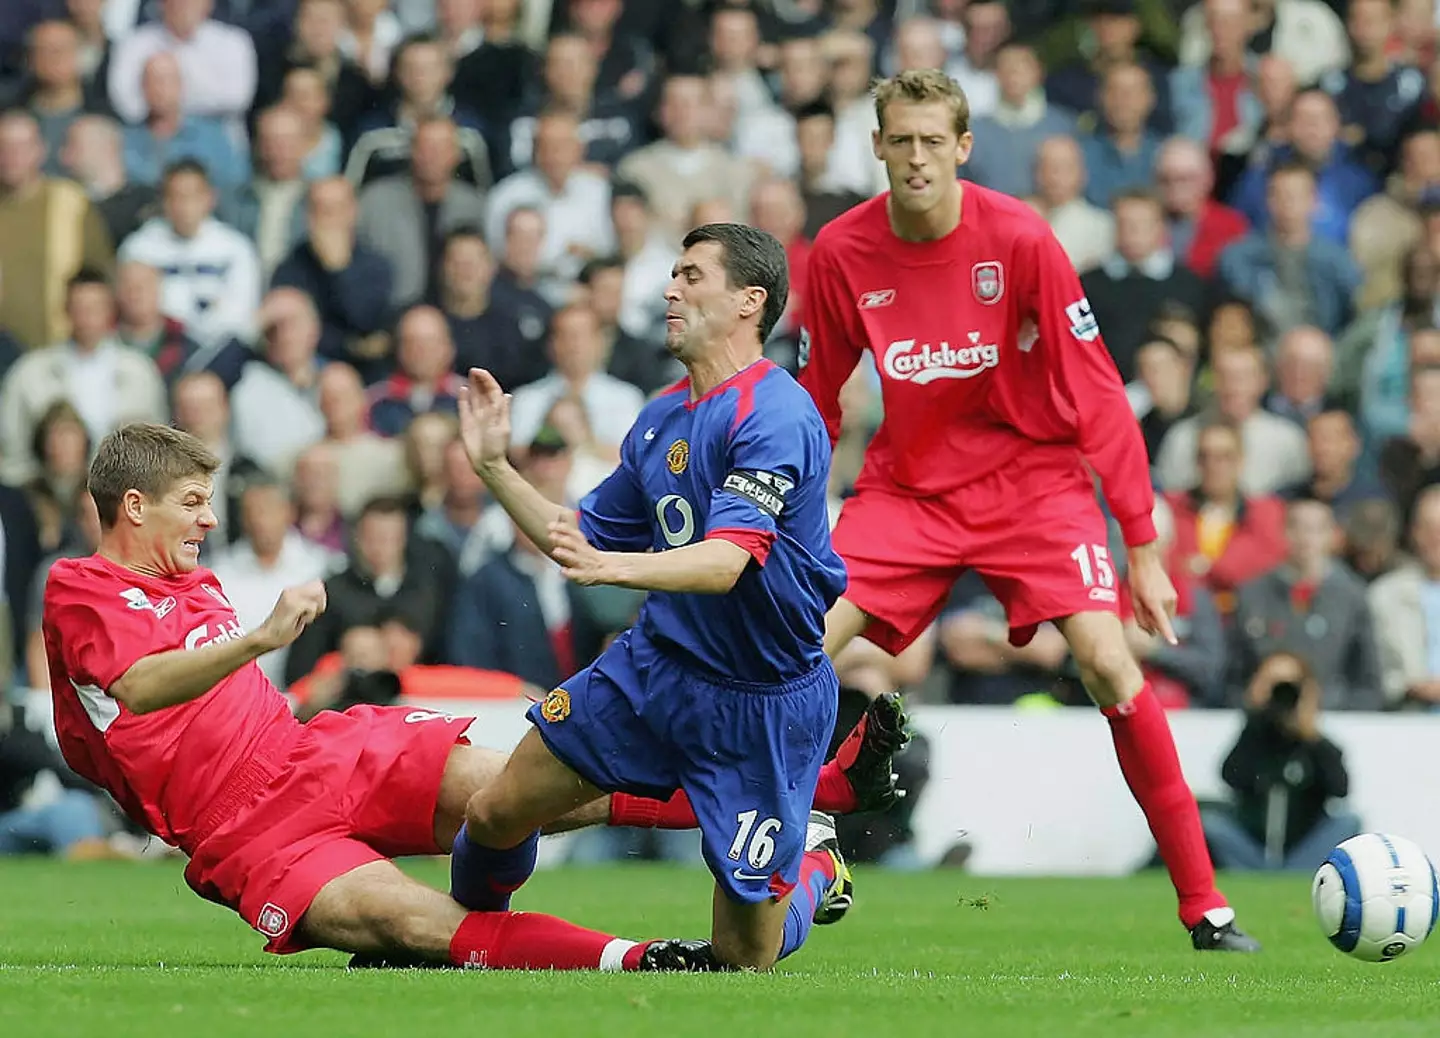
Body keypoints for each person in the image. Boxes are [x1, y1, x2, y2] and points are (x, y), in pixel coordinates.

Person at [798, 68, 1260, 952]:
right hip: (910, 490)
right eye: (903, 140)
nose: (919, 157)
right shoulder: (843, 250)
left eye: (935, 140)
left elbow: (1095, 393)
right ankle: (798, 824)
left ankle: (1206, 906)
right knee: (799, 642)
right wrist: (789, 518)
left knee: (1106, 661)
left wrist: (1143, 545)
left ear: (964, 148)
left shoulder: (1018, 237)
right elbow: (818, 398)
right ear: (879, 148)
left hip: (1032, 482)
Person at [42, 422, 726, 971]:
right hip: (246, 834)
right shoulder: (78, 587)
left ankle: (783, 802)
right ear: (134, 506)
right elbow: (136, 690)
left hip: (313, 751)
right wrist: (260, 640)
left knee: (523, 789)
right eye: (192, 503)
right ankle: (646, 959)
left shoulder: (197, 585)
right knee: (411, 924)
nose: (210, 521)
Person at [452, 223, 860, 972]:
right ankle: (456, 942)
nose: (671, 289)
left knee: (742, 960)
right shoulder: (659, 417)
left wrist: (613, 569)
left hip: (762, 701)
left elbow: (729, 561)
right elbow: (577, 536)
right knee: (495, 811)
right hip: (656, 669)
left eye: (692, 275)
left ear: (750, 300)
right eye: (671, 273)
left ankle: (817, 867)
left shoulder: (776, 414)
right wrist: (494, 468)